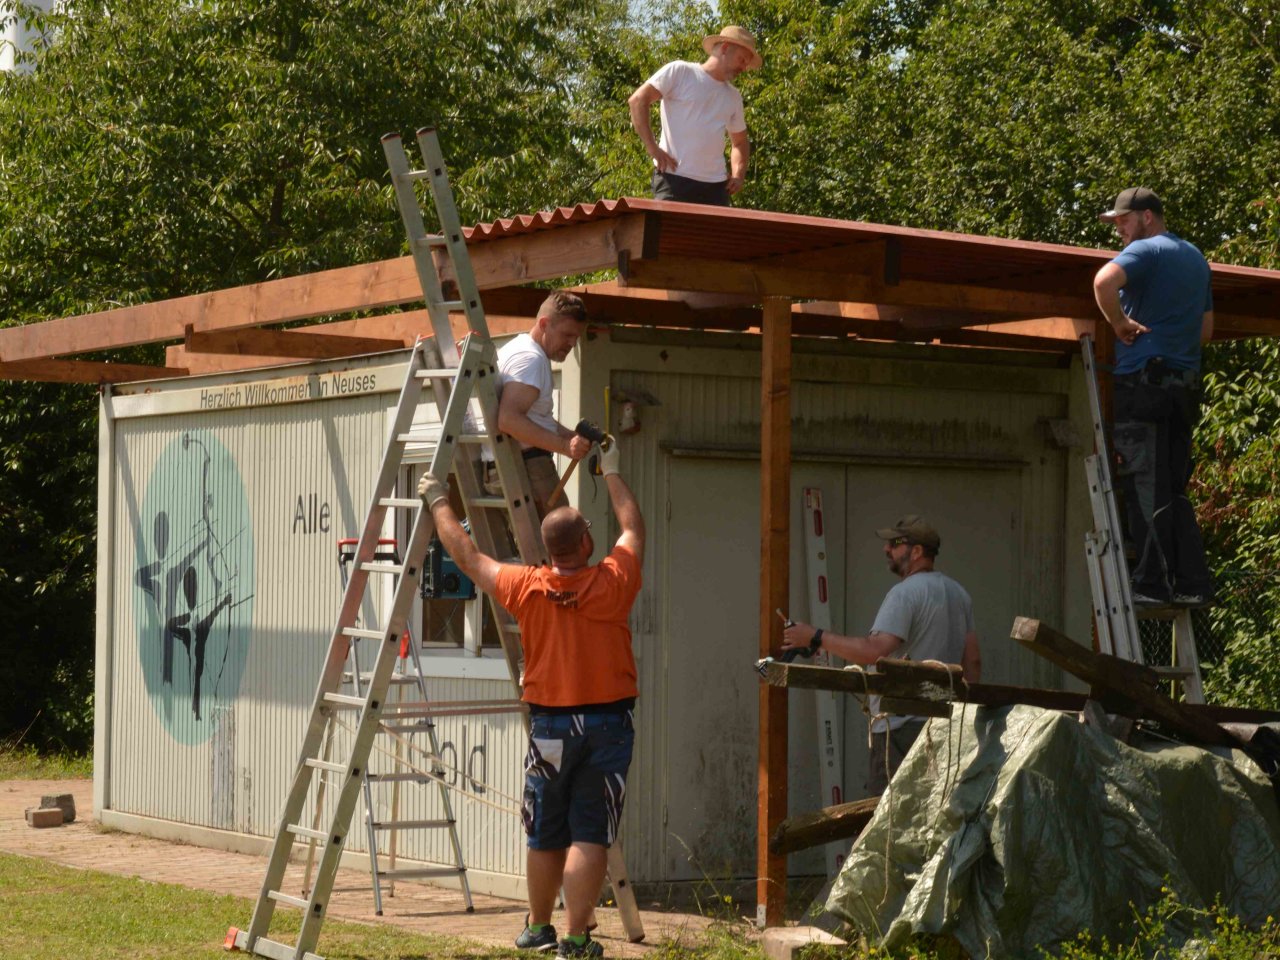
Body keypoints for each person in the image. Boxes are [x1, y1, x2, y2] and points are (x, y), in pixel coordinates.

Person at [419, 439, 644, 960]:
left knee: (545, 829)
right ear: (587, 545)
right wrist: (610, 471)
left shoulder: (526, 585)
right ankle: (576, 939)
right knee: (591, 832)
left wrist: (438, 502)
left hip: (550, 729)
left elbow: (468, 556)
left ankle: (539, 929)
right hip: (607, 725)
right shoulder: (613, 581)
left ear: (550, 551)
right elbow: (633, 529)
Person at [780, 515, 980, 797]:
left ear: (917, 551)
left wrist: (814, 636)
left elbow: (874, 651)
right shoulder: (959, 594)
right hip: (945, 726)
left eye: (895, 543)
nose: (887, 549)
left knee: (890, 822)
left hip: (902, 732)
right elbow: (972, 664)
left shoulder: (905, 594)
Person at [1093, 187, 1215, 607]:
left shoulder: (1148, 252)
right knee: (1174, 488)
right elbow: (1205, 331)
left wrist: (1120, 322)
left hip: (1144, 383)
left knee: (1145, 482)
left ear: (1147, 217)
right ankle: (1193, 583)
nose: (1119, 231)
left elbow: (1103, 281)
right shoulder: (1196, 259)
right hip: (1184, 385)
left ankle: (1150, 585)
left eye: (1123, 221)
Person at [627, 25, 761, 206]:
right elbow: (637, 100)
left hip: (715, 188)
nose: (744, 68)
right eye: (742, 59)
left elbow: (740, 142)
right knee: (669, 234)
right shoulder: (680, 72)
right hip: (674, 179)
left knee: (712, 235)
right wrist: (652, 148)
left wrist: (738, 175)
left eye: (746, 63)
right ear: (725, 48)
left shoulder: (733, 96)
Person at [493, 291, 593, 517]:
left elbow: (534, 416)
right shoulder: (532, 359)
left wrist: (568, 436)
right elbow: (508, 419)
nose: (572, 343)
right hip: (528, 468)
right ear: (544, 324)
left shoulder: (519, 348)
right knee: (566, 539)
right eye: (567, 335)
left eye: (576, 337)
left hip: (519, 466)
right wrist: (565, 447)